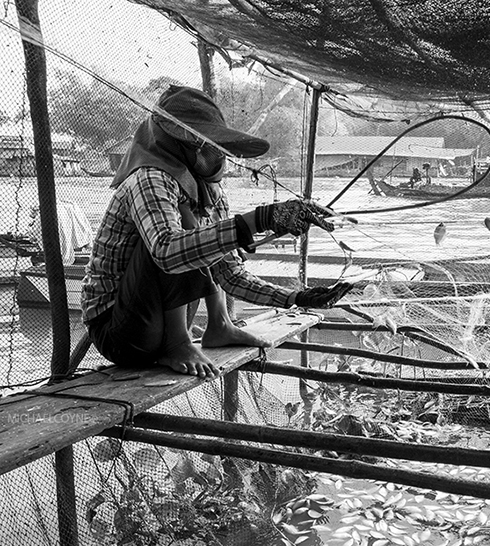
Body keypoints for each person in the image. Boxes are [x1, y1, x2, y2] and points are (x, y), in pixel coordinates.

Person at [81, 85, 353, 379]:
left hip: (158, 323)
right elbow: (167, 251)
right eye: (207, 144)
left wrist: (295, 299)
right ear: (182, 142)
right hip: (120, 332)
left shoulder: (209, 192)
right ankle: (178, 343)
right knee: (184, 235)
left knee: (205, 240)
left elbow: (228, 273)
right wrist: (257, 220)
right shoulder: (150, 177)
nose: (218, 155)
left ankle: (219, 324)